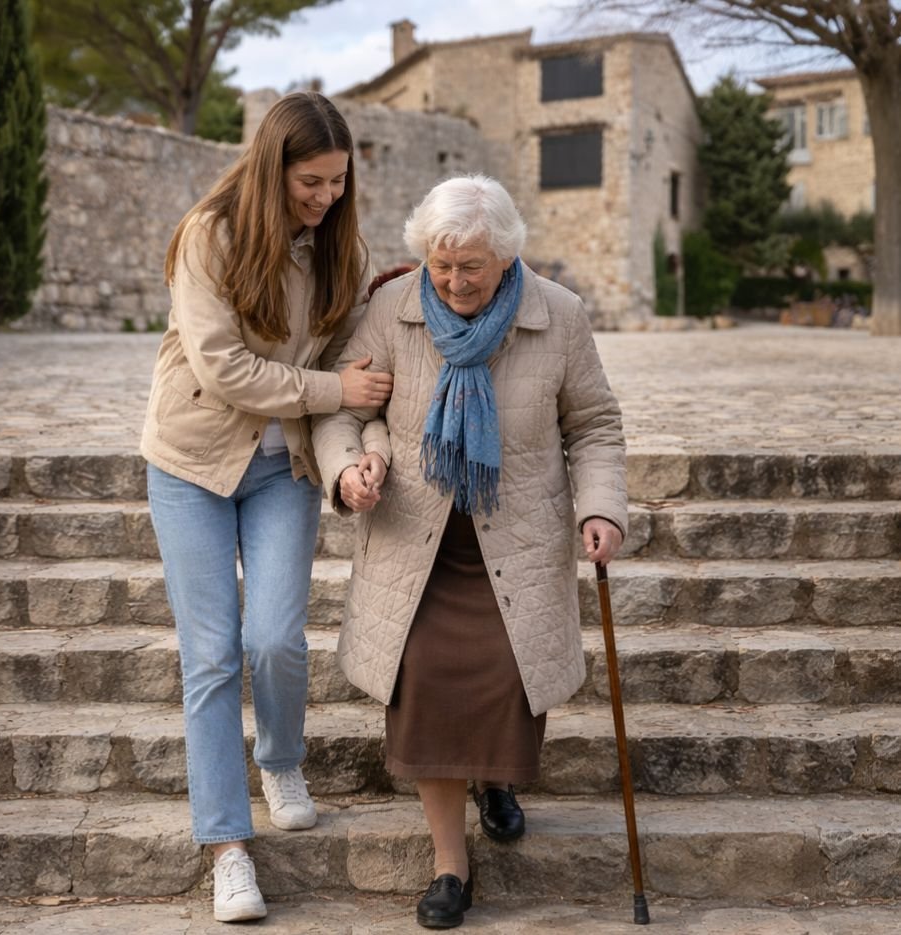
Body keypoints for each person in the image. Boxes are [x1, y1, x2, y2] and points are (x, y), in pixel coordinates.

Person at [313, 175, 627, 929]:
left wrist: (601, 507)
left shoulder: (560, 316)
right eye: (442, 264)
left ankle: (494, 780)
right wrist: (347, 468)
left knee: (504, 679)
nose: (454, 281)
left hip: (513, 545)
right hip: (416, 546)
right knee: (426, 685)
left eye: (472, 267)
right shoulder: (393, 308)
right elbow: (344, 409)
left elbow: (594, 426)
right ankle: (451, 864)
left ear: (507, 257)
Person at [140, 91, 393, 923]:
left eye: (337, 182)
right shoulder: (207, 236)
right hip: (192, 461)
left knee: (277, 636)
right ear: (271, 166)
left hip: (283, 464)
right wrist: (332, 386)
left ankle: (281, 757)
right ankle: (227, 847)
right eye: (311, 182)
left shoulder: (340, 252)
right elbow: (223, 369)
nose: (326, 197)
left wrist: (358, 441)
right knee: (211, 655)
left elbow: (358, 367)